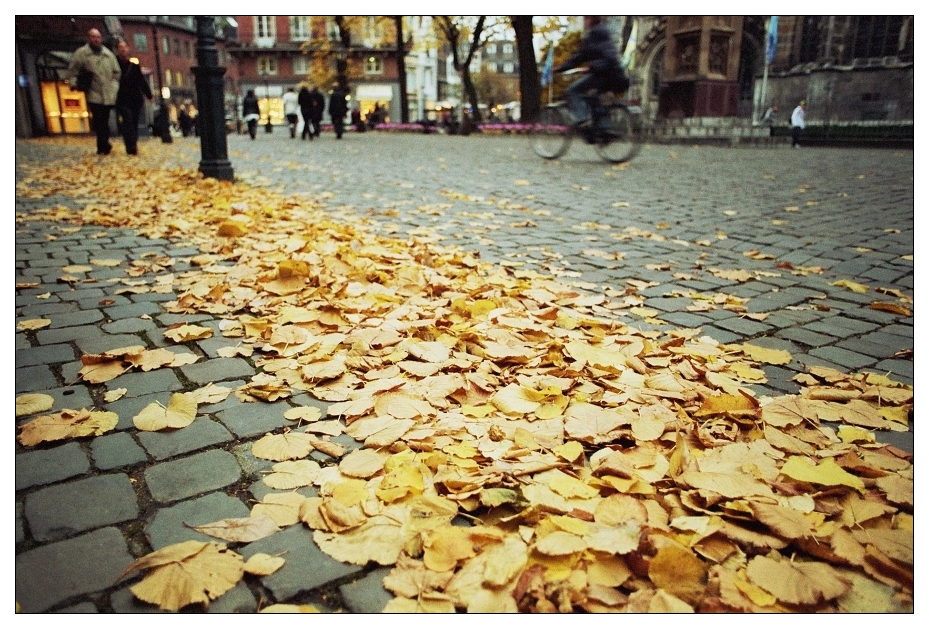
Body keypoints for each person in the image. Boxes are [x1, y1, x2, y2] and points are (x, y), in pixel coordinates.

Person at [556, 16, 628, 135]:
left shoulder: (593, 34)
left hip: (603, 73)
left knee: (572, 91)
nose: (585, 22)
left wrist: (562, 67)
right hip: (615, 75)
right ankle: (604, 129)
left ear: (590, 20)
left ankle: (582, 120)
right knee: (595, 98)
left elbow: (581, 56)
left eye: (586, 19)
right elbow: (606, 55)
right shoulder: (605, 33)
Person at [67, 28, 121, 155]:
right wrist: (74, 83)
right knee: (98, 120)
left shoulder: (108, 54)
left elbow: (116, 72)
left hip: (108, 93)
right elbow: (73, 70)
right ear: (88, 38)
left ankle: (104, 144)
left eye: (98, 37)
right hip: (93, 92)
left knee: (105, 120)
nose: (96, 39)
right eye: (93, 37)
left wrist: (113, 86)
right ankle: (102, 146)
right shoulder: (82, 53)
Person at [114, 38, 153, 156]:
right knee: (128, 121)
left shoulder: (134, 65)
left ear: (128, 49)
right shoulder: (114, 64)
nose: (123, 49)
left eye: (125, 47)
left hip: (135, 99)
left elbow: (141, 80)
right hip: (122, 98)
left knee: (134, 122)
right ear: (117, 49)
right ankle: (130, 146)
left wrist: (149, 95)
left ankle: (133, 143)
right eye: (120, 47)